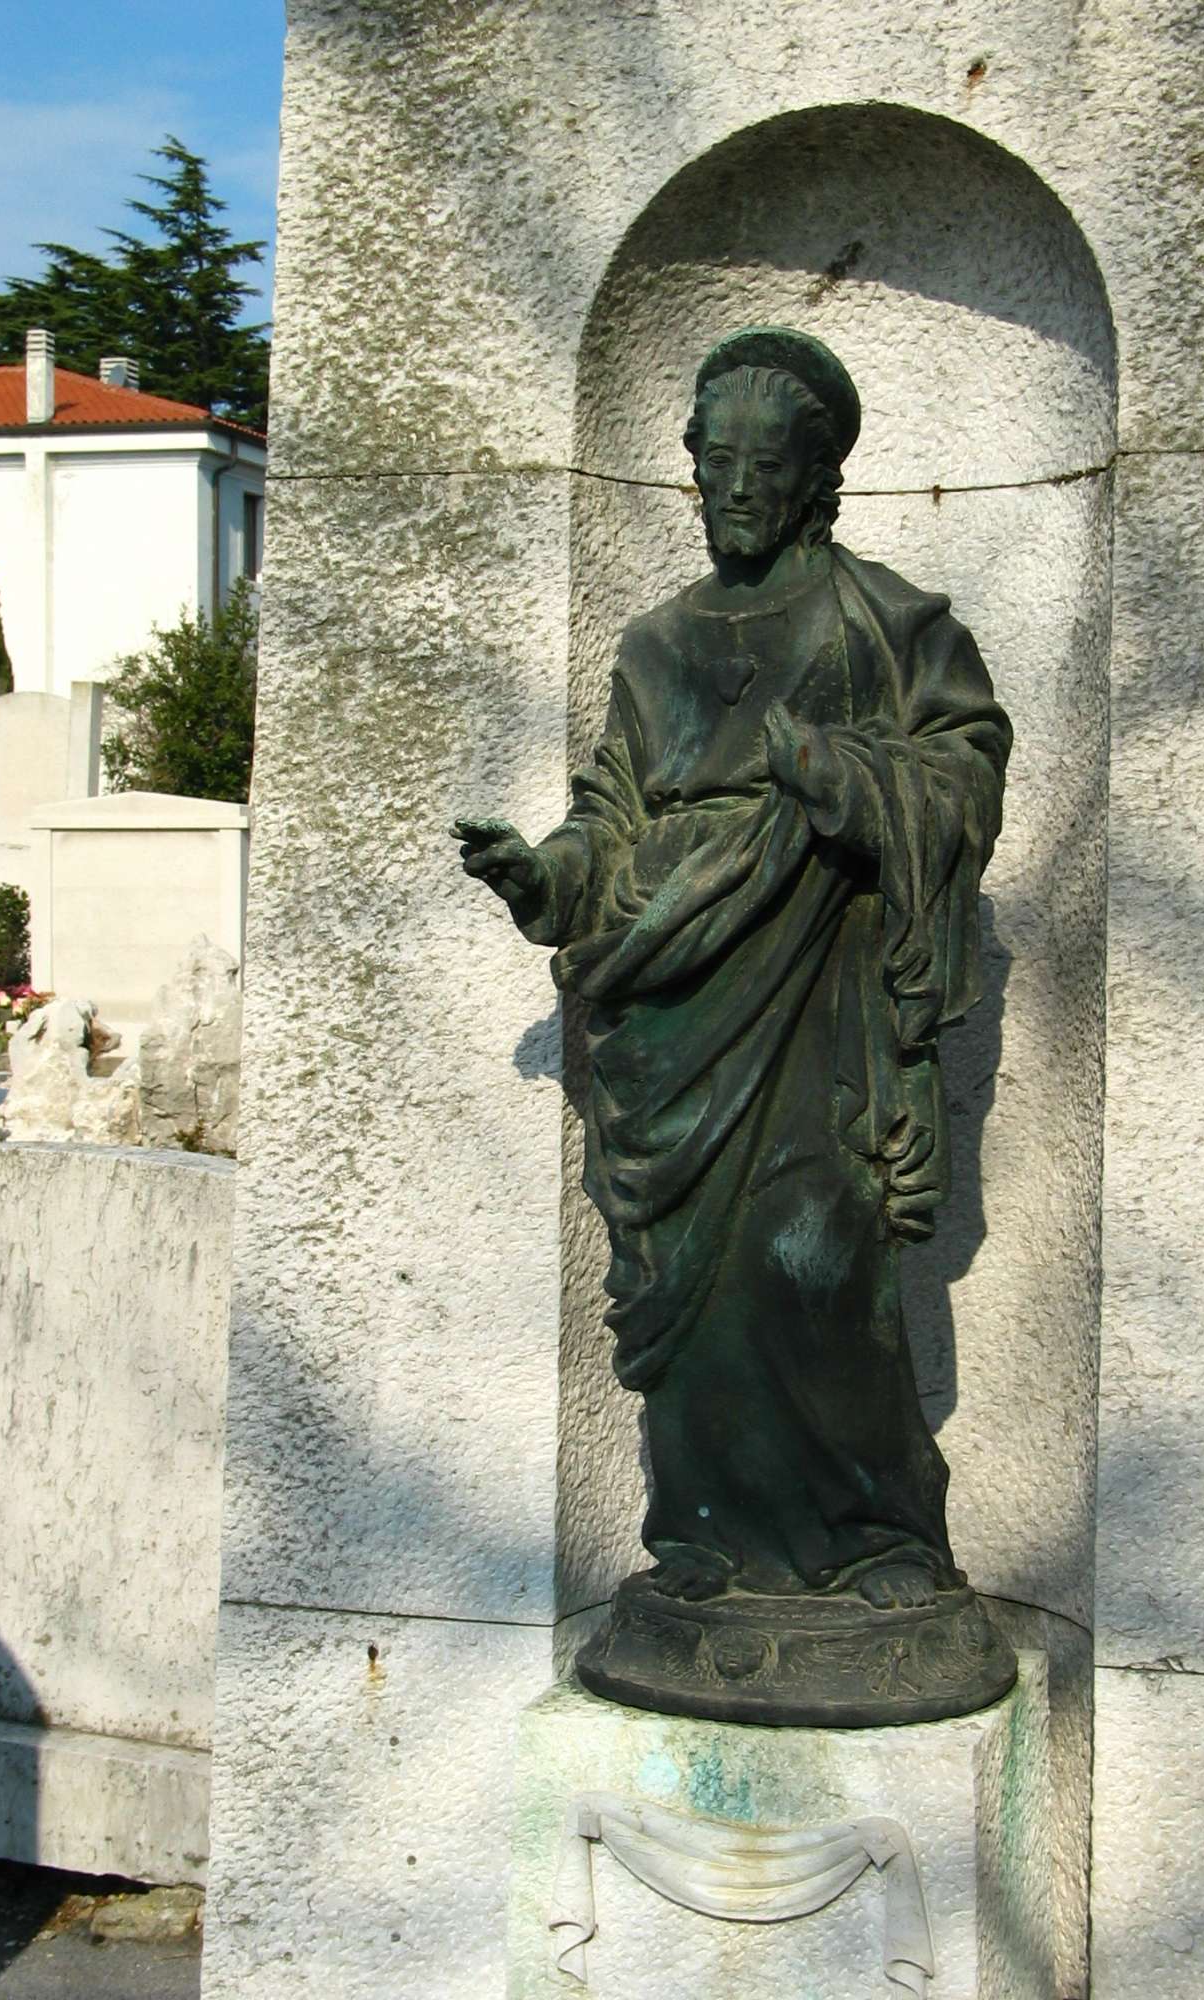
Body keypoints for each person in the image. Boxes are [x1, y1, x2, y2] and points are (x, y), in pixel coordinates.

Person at [458, 327, 1011, 1618]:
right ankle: (703, 1542)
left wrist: (838, 776)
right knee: (689, 1293)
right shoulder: (655, 644)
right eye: (719, 464)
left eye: (768, 466)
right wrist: (546, 877)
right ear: (692, 469)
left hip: (821, 987)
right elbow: (611, 814)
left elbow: (966, 772)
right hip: (672, 1002)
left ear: (820, 478)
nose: (739, 489)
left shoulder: (892, 621)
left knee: (822, 1261)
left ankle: (876, 1540)